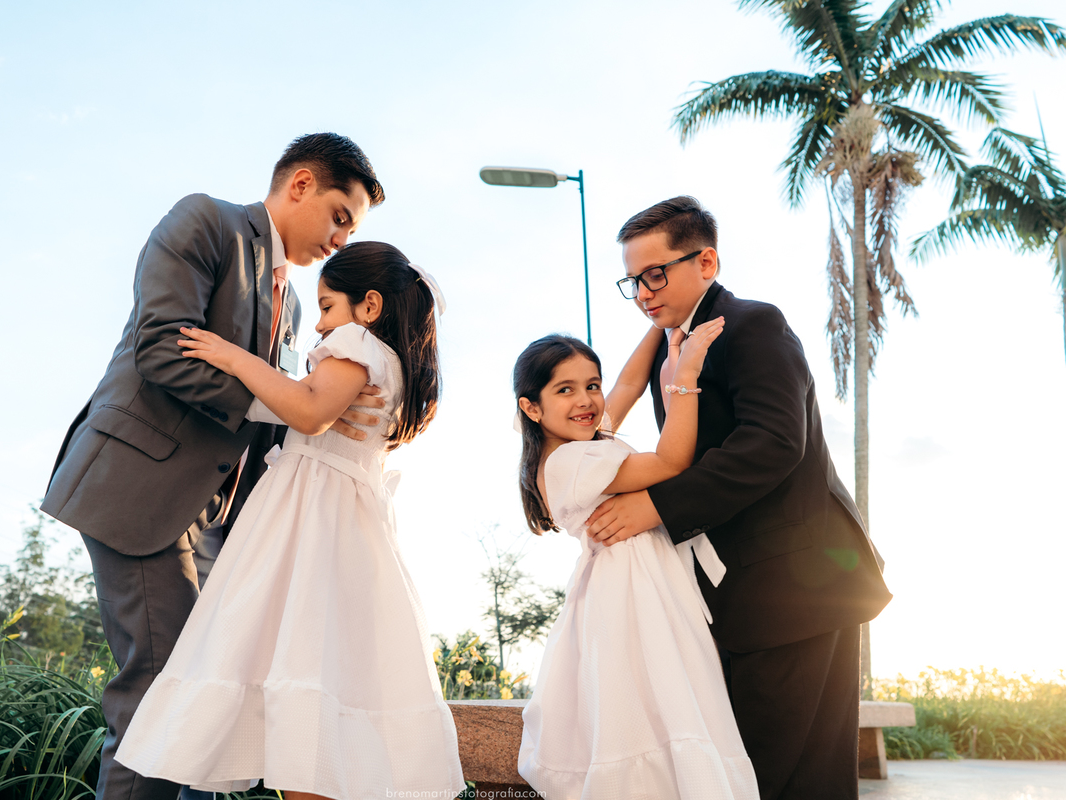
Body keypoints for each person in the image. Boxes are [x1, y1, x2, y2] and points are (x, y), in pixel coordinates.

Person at [39, 133, 386, 800]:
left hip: (219, 522)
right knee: (164, 690)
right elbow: (162, 352)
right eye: (341, 216)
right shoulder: (206, 221)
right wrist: (298, 407)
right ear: (303, 184)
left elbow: (270, 410)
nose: (341, 240)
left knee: (225, 689)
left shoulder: (292, 308)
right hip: (143, 490)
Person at [113, 241, 465, 800]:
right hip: (347, 524)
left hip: (310, 521)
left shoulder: (354, 344)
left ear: (369, 306)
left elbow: (307, 411)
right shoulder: (393, 362)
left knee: (294, 668)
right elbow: (292, 404)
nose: (321, 326)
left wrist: (231, 356)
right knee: (321, 687)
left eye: (327, 306)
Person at [585, 196, 893, 799]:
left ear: (707, 262)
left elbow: (774, 442)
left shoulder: (754, 323)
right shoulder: (670, 349)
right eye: (632, 281)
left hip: (797, 587)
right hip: (740, 597)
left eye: (656, 273)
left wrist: (653, 508)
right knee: (759, 778)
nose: (644, 292)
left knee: (788, 779)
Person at [513, 326, 759, 800]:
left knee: (675, 711)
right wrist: (684, 371)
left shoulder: (583, 444)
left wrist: (661, 326)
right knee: (655, 715)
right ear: (532, 407)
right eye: (564, 389)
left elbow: (626, 385)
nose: (586, 399)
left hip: (647, 589)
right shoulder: (569, 462)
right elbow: (670, 462)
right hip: (630, 603)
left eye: (591, 385)